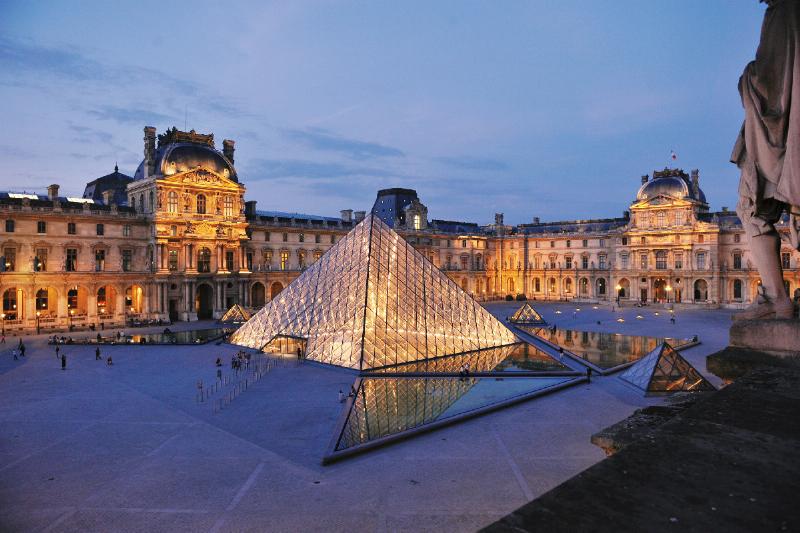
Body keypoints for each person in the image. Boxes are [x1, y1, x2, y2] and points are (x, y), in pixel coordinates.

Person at [732, 0, 800, 319]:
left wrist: (746, 77)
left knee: (751, 208)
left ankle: (776, 297)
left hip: (778, 137)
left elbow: (766, 82)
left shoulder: (784, 10)